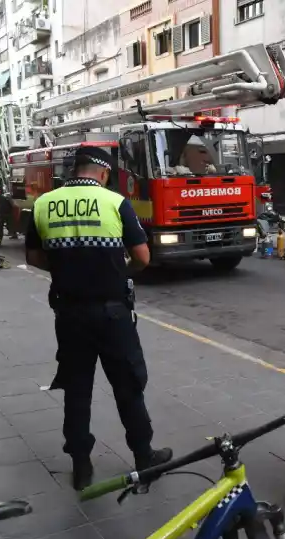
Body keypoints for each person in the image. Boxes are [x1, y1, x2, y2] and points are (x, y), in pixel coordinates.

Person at [25, 146, 172, 491]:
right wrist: (118, 272)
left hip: (70, 313)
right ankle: (143, 457)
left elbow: (33, 256)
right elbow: (142, 256)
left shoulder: (44, 204)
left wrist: (64, 270)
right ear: (104, 173)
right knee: (128, 387)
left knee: (77, 390)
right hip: (112, 314)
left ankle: (81, 464)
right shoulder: (114, 202)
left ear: (75, 168)